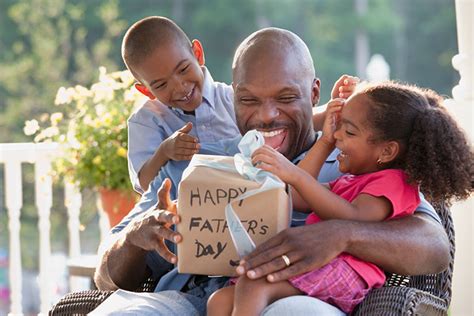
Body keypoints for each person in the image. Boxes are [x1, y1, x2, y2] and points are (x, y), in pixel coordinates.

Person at [93, 27, 451, 315]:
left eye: (284, 98)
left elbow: (434, 247)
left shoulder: (353, 164)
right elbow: (105, 277)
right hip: (186, 301)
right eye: (249, 100)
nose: (266, 116)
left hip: (294, 296)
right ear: (233, 97)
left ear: (313, 95)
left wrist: (341, 234)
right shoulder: (193, 162)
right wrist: (136, 238)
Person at [206, 82, 473, 315]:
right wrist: (325, 143)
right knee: (220, 300)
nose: (338, 137)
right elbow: (299, 196)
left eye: (350, 132)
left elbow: (354, 218)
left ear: (387, 150)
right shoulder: (351, 181)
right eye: (339, 128)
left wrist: (294, 175)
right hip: (323, 264)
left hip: (348, 271)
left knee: (254, 283)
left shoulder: (394, 183)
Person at [123, 16, 358, 193]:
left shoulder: (227, 98)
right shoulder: (149, 122)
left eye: (183, 70)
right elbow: (145, 186)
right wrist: (164, 152)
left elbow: (296, 122)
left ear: (198, 54)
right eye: (161, 84)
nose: (179, 87)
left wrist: (336, 108)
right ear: (145, 90)